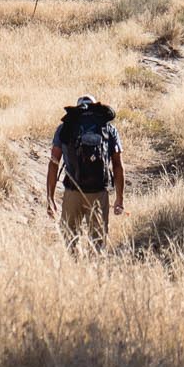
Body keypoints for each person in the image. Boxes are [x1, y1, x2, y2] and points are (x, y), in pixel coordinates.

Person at [47, 94, 123, 251]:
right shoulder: (108, 129)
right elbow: (117, 165)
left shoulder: (65, 127)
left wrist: (50, 198)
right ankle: (94, 272)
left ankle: (72, 271)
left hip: (72, 192)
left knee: (69, 241)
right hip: (99, 192)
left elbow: (54, 163)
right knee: (98, 245)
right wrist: (119, 199)